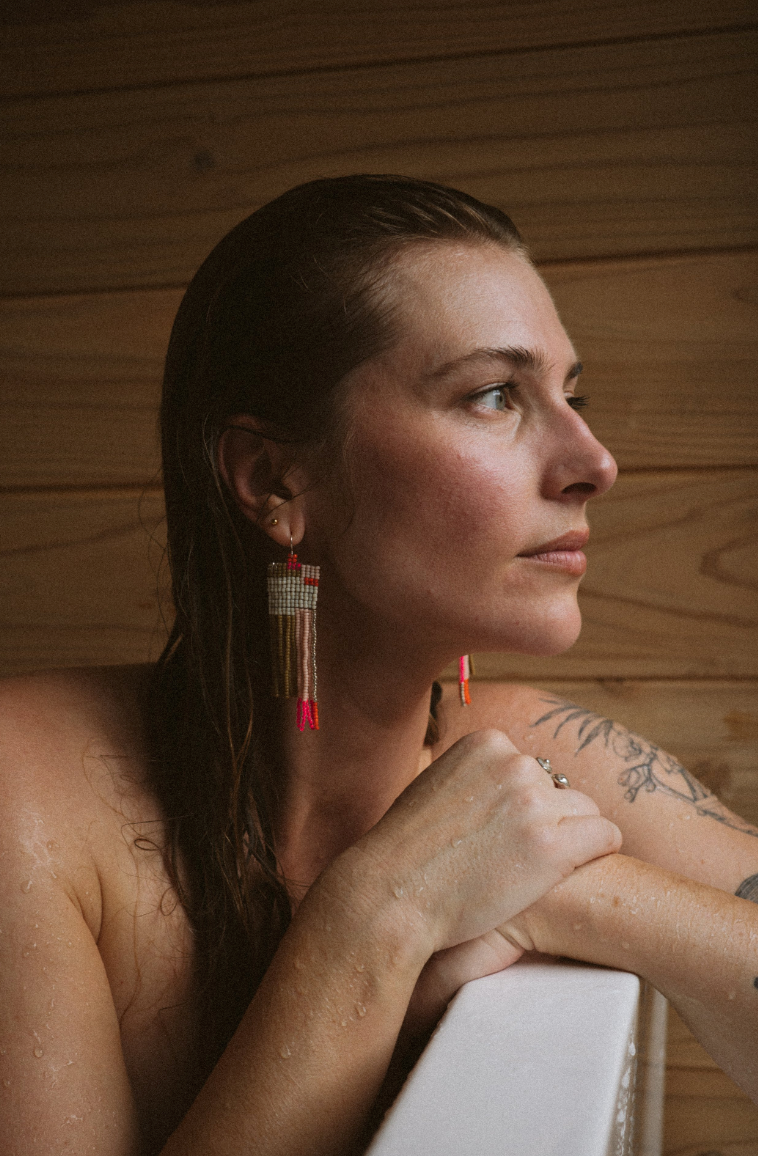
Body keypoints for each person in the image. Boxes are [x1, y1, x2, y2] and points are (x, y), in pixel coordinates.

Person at [1, 175, 756, 1156]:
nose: (593, 461)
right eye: (493, 394)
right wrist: (382, 909)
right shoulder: (30, 790)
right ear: (276, 480)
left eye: (572, 394)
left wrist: (563, 894)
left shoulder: (537, 762)